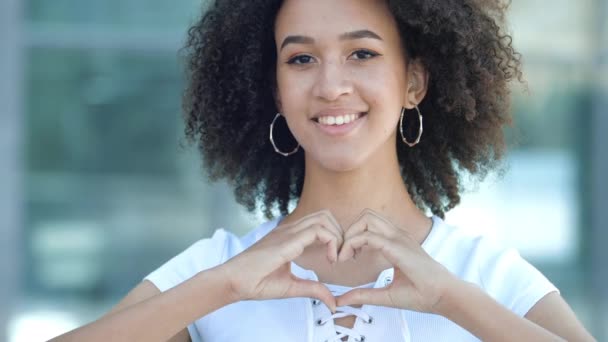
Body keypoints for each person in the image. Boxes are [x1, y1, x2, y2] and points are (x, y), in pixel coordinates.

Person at [51, 0, 596, 341]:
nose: (331, 85)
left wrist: (450, 300)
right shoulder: (217, 270)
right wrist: (225, 287)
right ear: (275, 90)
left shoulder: (486, 276)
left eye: (362, 54)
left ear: (415, 83)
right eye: (301, 59)